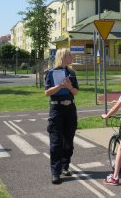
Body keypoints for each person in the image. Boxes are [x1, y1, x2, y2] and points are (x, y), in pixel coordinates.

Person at [44, 48, 79, 184]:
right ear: (63, 57)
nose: (72, 57)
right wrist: (60, 86)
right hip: (56, 109)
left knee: (68, 142)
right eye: (69, 55)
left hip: (70, 108)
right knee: (56, 142)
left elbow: (75, 92)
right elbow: (47, 92)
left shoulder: (71, 73)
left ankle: (65, 166)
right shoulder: (51, 73)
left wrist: (69, 87)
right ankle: (55, 172)